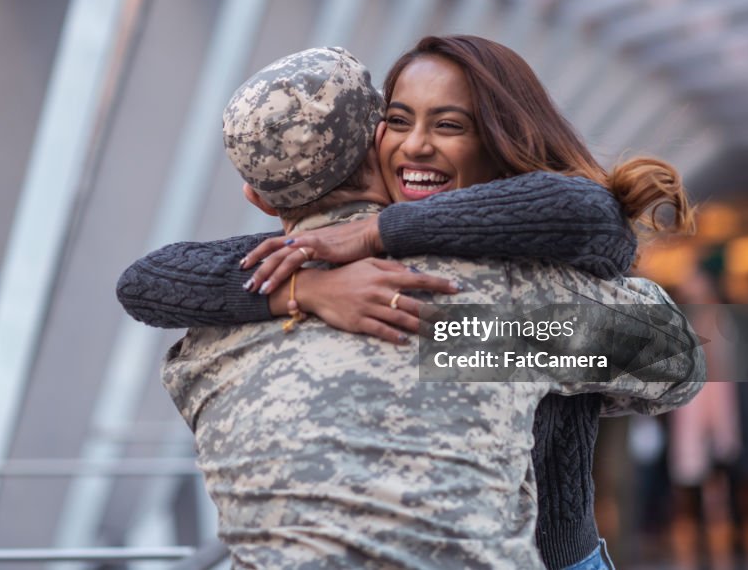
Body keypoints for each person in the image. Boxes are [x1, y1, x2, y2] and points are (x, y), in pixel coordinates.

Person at [119, 36, 697, 569]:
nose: (416, 144)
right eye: (398, 120)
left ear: (256, 197)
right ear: (375, 142)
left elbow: (148, 279)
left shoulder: (204, 345)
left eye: (447, 125)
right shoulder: (478, 301)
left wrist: (331, 265)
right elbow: (673, 363)